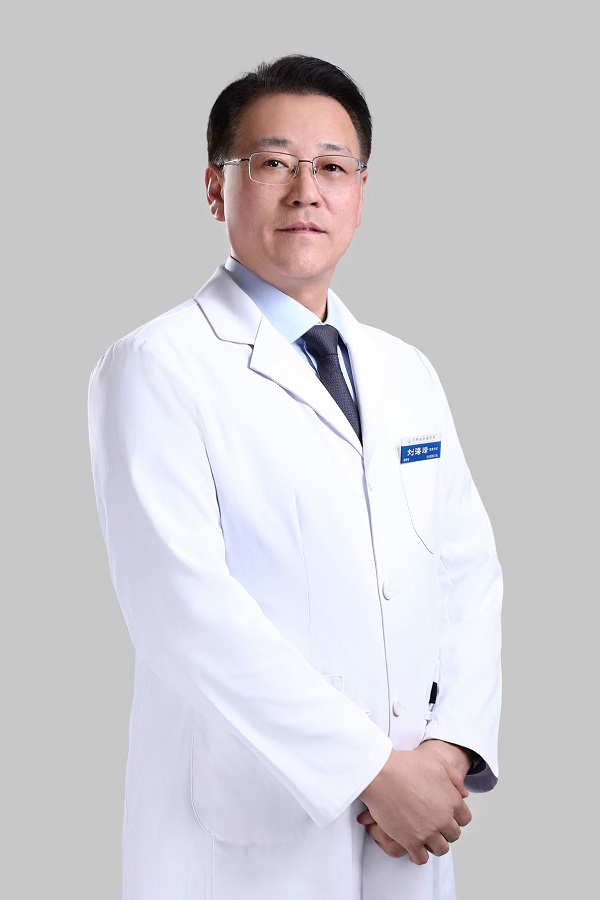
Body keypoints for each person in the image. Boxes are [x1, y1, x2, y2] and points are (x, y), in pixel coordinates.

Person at [88, 54, 502, 900]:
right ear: (217, 188)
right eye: (273, 162)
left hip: (410, 825)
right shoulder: (157, 366)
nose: (305, 191)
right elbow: (184, 611)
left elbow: (467, 574)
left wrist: (448, 752)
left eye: (333, 168)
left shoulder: (405, 371)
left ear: (361, 192)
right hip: (246, 837)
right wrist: (372, 772)